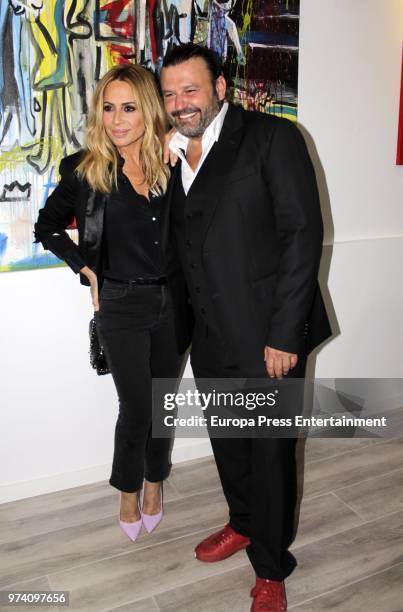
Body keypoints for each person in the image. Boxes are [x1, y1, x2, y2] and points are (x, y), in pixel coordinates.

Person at [160, 43, 332, 611]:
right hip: (210, 334)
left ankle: (272, 567)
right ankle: (243, 522)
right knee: (230, 443)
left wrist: (286, 335)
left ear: (219, 89)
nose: (180, 103)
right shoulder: (173, 156)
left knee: (269, 453)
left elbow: (301, 236)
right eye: (169, 94)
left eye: (190, 90)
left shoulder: (272, 138)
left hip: (268, 340)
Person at [34, 64, 187, 542]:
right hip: (120, 301)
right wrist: (85, 267)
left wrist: (178, 141)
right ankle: (127, 489)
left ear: (148, 111)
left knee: (162, 404)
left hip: (174, 301)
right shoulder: (86, 171)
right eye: (108, 107)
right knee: (137, 406)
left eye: (128, 107)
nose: (117, 119)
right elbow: (46, 226)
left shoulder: (171, 164)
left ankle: (155, 483)